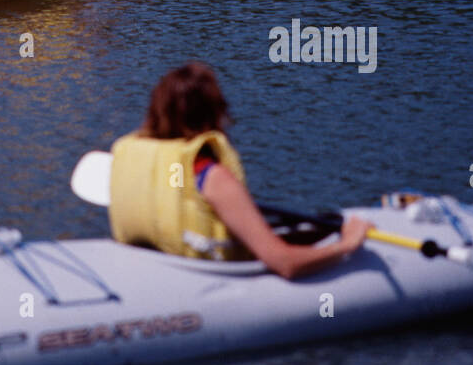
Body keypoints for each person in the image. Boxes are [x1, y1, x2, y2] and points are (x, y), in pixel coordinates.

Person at [109, 63, 369, 278]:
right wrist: (347, 244)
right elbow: (285, 263)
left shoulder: (134, 155)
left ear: (155, 110)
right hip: (203, 274)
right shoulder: (213, 179)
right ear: (216, 113)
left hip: (152, 269)